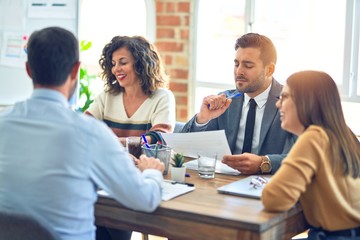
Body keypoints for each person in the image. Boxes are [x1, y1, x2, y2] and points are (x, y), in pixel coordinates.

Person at [0, 27, 165, 240]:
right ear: (75, 70)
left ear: (29, 70)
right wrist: (151, 171)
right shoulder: (90, 133)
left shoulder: (3, 123)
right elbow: (145, 200)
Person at [262, 71, 360, 239]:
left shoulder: (314, 136)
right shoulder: (342, 134)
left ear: (306, 101)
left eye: (284, 97)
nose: (278, 105)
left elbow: (274, 198)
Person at [181, 33, 296, 174]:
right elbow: (184, 146)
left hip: (269, 185)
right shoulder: (224, 101)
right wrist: (202, 119)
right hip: (224, 183)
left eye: (248, 66)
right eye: (236, 64)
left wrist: (263, 163)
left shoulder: (291, 102)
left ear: (269, 69)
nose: (239, 71)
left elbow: (303, 157)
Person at [85, 35, 176, 145]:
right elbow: (84, 126)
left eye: (123, 62)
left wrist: (124, 142)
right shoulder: (107, 96)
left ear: (141, 65)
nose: (116, 69)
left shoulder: (162, 97)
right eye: (113, 64)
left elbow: (161, 136)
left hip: (145, 161)